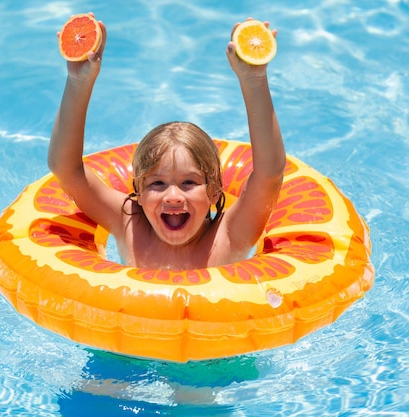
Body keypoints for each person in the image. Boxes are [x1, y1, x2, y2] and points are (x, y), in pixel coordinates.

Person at [48, 17, 286, 270]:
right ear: (138, 192)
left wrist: (254, 80)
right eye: (157, 183)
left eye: (189, 182)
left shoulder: (229, 235)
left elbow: (269, 174)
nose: (173, 196)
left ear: (215, 190)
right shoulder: (129, 223)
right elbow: (66, 169)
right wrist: (78, 82)